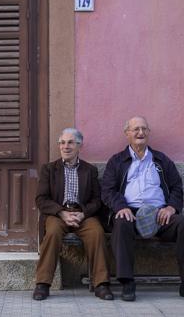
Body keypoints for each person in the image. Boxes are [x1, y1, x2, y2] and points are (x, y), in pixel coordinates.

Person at [101, 116, 184, 301]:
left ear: (148, 133)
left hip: (159, 213)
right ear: (127, 134)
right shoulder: (117, 161)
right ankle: (127, 282)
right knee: (121, 223)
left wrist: (172, 207)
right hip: (130, 212)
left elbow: (176, 187)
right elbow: (108, 190)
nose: (140, 133)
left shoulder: (161, 159)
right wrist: (121, 207)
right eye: (136, 129)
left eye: (144, 129)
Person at [33, 128, 113, 301]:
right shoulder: (49, 169)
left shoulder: (89, 170)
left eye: (70, 142)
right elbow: (41, 199)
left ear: (79, 146)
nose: (65, 146)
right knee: (53, 233)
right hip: (58, 214)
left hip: (82, 214)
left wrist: (83, 214)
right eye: (62, 142)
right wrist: (61, 213)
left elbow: (97, 200)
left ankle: (101, 284)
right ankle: (42, 284)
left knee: (97, 233)